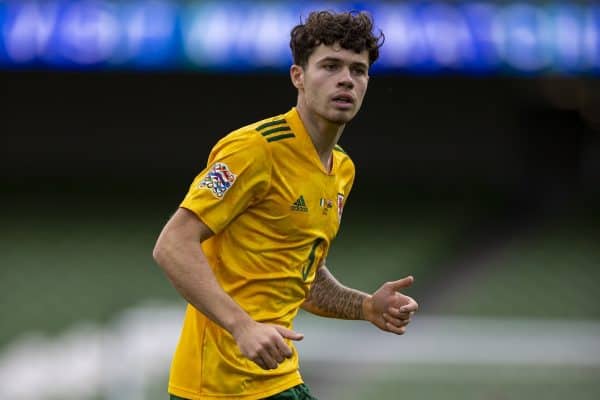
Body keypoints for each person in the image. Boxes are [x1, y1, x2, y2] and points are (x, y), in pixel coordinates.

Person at [153, 10, 419, 400]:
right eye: (330, 66)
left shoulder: (342, 168)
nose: (346, 79)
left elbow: (303, 278)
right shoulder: (255, 149)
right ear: (299, 76)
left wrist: (365, 307)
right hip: (216, 389)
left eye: (358, 70)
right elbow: (172, 245)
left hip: (278, 378)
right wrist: (243, 326)